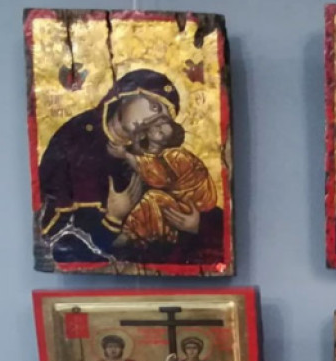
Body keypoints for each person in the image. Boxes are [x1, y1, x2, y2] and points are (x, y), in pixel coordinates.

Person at [36, 69, 223, 265]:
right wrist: (114, 218)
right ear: (127, 93)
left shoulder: (152, 156)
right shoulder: (76, 137)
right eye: (154, 107)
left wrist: (197, 225)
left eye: (164, 120)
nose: (153, 120)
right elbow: (57, 239)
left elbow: (186, 197)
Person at [116, 110, 218, 248]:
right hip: (161, 209)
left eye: (161, 132)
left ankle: (127, 236)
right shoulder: (141, 152)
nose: (156, 129)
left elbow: (158, 176)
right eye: (158, 125)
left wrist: (127, 157)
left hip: (184, 208)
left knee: (153, 197)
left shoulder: (175, 156)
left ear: (165, 142)